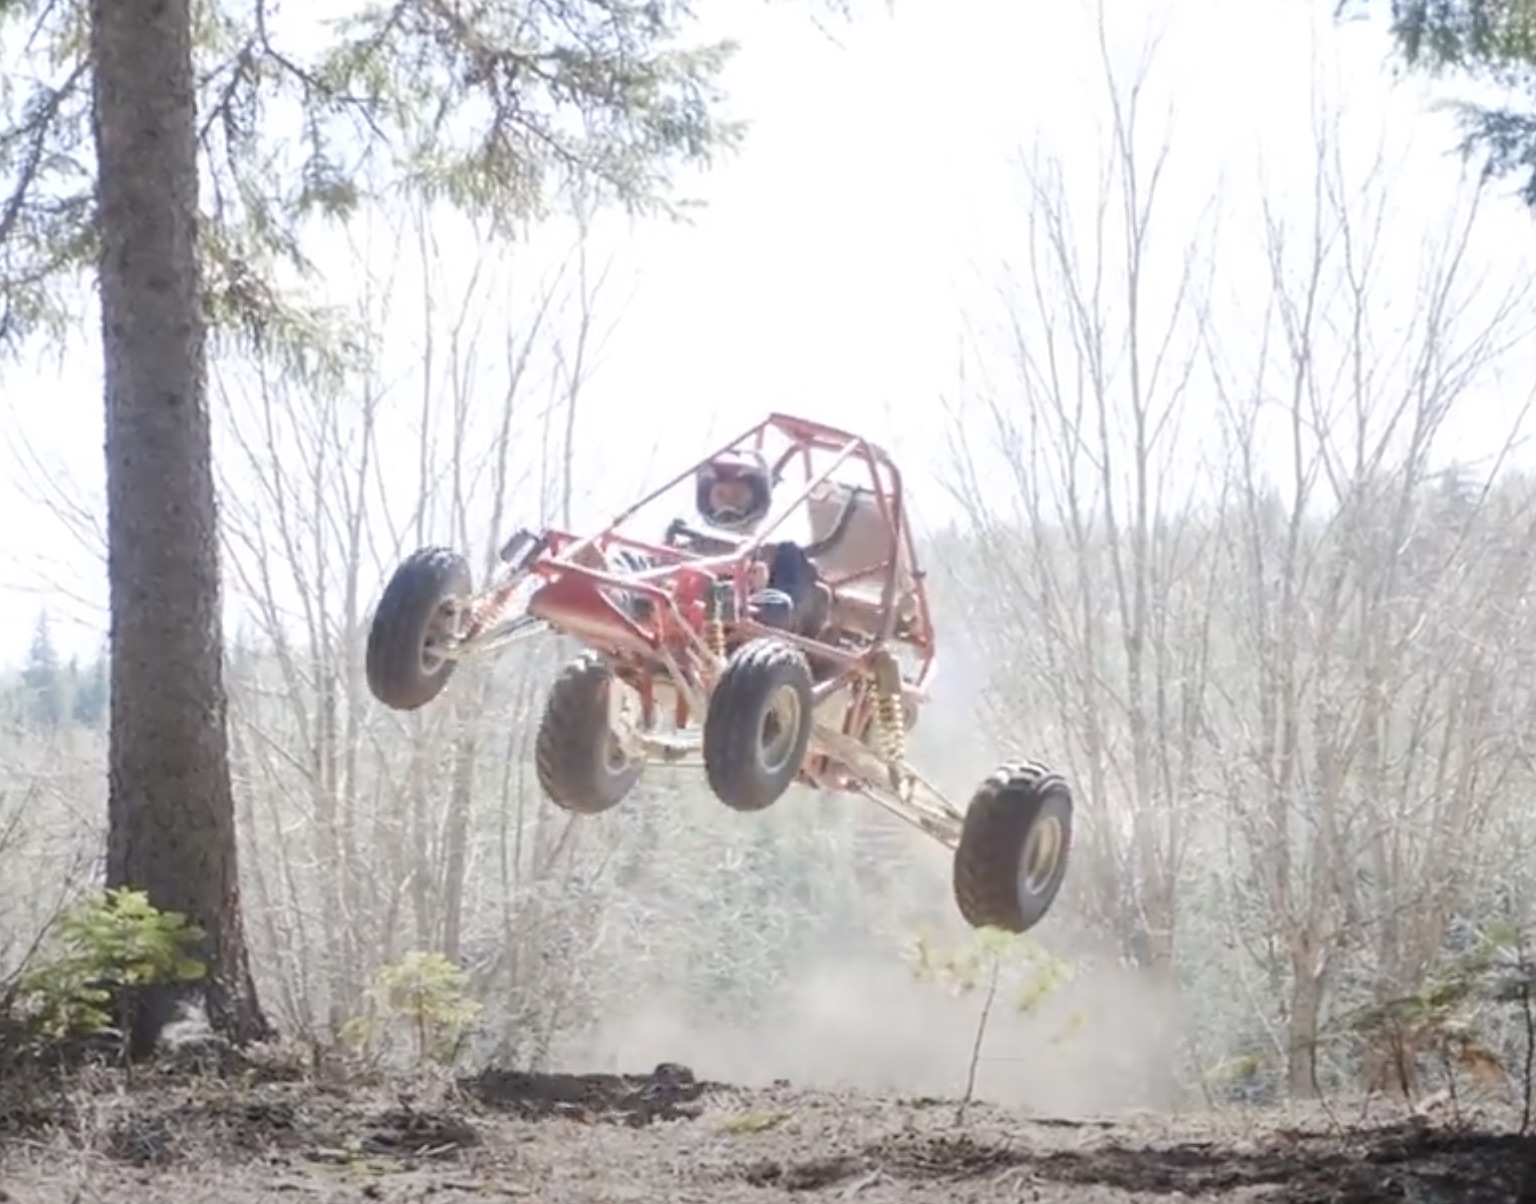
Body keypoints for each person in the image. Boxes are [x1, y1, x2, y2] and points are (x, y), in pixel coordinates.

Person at [690, 449, 822, 636]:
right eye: (721, 495)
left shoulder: (782, 554)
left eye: (737, 496)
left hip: (759, 652)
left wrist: (754, 591)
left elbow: (786, 613)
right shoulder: (694, 545)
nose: (729, 506)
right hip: (686, 638)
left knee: (777, 605)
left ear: (758, 499)